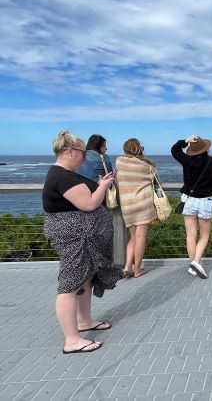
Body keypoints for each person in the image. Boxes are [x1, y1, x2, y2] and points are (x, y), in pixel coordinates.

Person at [42, 130, 124, 354]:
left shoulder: (65, 174)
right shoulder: (63, 177)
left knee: (84, 280)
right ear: (69, 151)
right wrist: (104, 188)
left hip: (83, 238)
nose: (85, 156)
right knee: (70, 285)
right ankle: (72, 340)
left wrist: (100, 184)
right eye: (82, 152)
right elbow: (88, 204)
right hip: (76, 239)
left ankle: (84, 321)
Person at [171, 135, 212, 278]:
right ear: (206, 148)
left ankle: (193, 265)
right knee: (204, 236)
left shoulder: (187, 160)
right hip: (205, 200)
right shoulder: (211, 161)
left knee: (190, 235)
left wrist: (185, 141)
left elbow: (174, 150)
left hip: (189, 199)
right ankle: (196, 262)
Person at [116, 138, 158, 278]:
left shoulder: (119, 162)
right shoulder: (146, 166)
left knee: (133, 237)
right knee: (140, 237)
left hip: (127, 205)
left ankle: (127, 266)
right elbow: (156, 181)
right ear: (140, 149)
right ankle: (137, 269)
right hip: (143, 204)